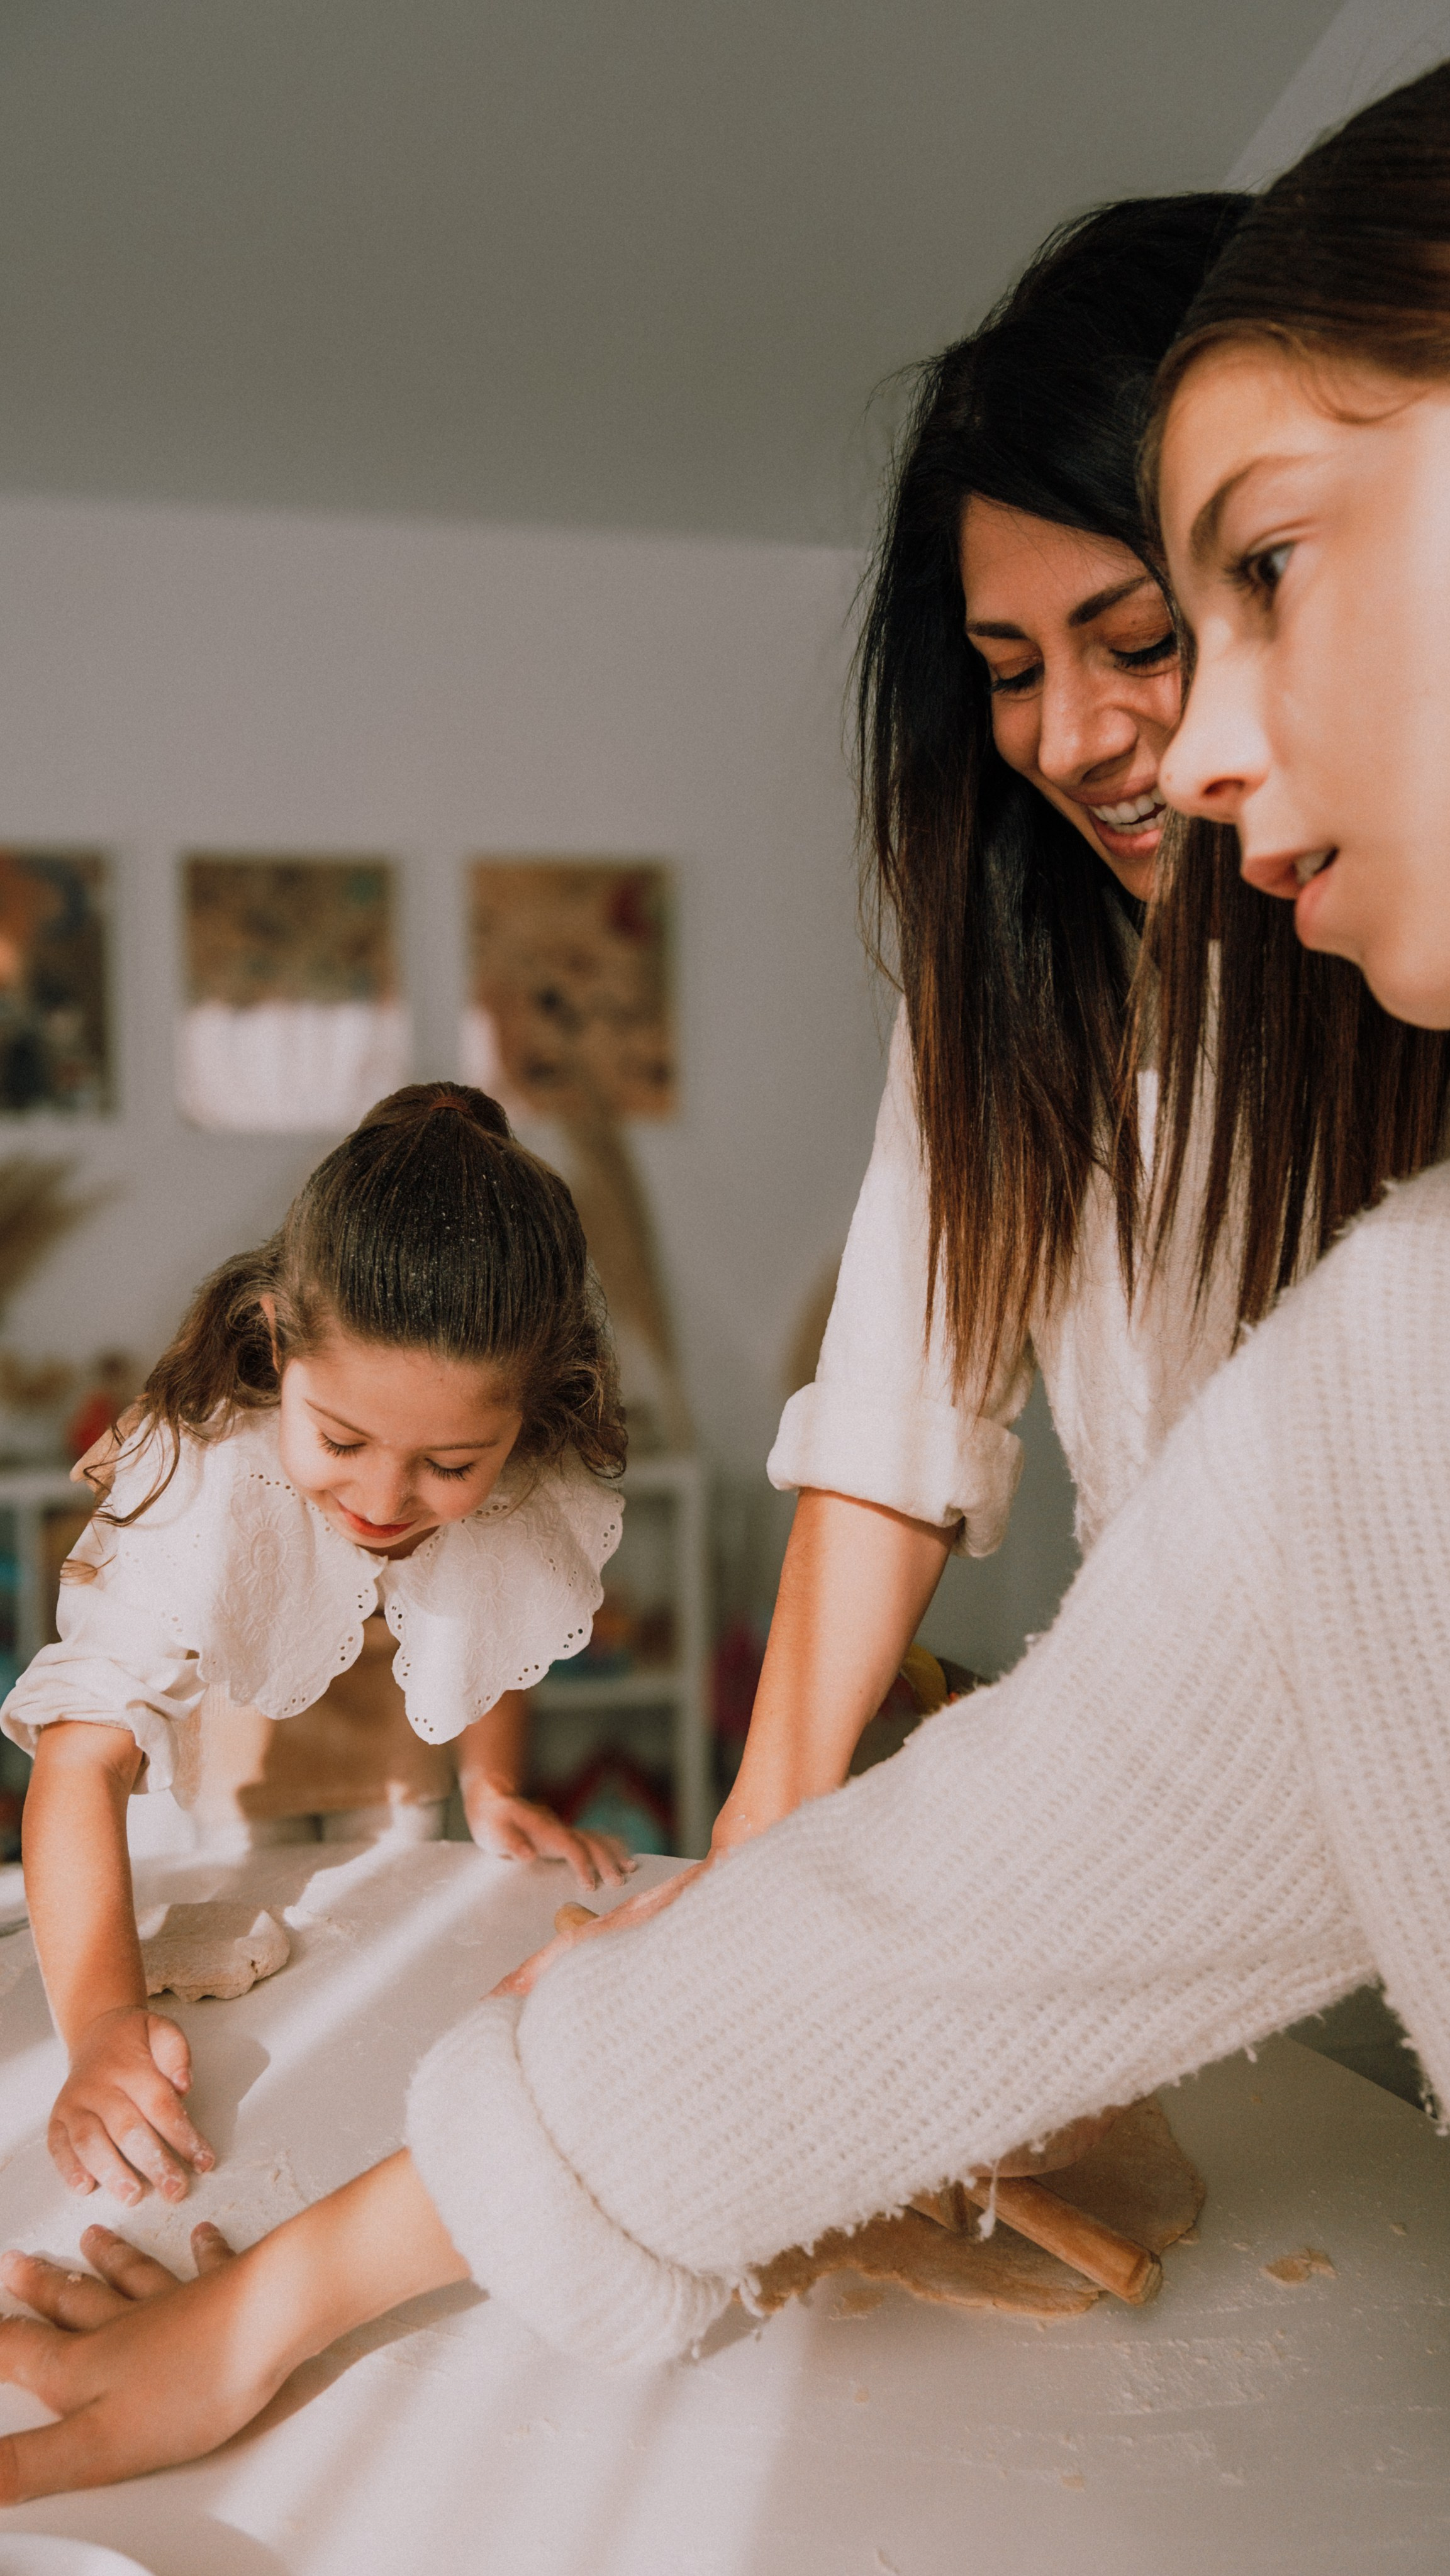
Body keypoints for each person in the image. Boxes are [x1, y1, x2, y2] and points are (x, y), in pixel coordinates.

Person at [8, 61, 1450, 2490]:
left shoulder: (1375, 1347)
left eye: (1244, 586)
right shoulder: (1366, 1380)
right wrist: (759, 1856)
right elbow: (970, 1571)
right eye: (1028, 665)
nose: (1167, 744)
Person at [715, 187, 1449, 1852]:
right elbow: (899, 1401)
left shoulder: (1397, 953)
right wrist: (759, 1839)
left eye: (1135, 643)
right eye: (1011, 666)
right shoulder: (1016, 956)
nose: (1078, 739)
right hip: (1202, 1796)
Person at [1, 1081, 632, 2213]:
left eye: (450, 1467)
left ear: (526, 1417)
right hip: (191, 1834)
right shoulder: (201, 1476)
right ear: (275, 1340)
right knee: (228, 2112)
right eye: (339, 1439)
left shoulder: (522, 1482)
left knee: (364, 2067)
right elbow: (81, 1757)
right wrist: (100, 2029)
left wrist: (490, 1787)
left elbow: (491, 1619)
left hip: (391, 1810)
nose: (386, 1497)